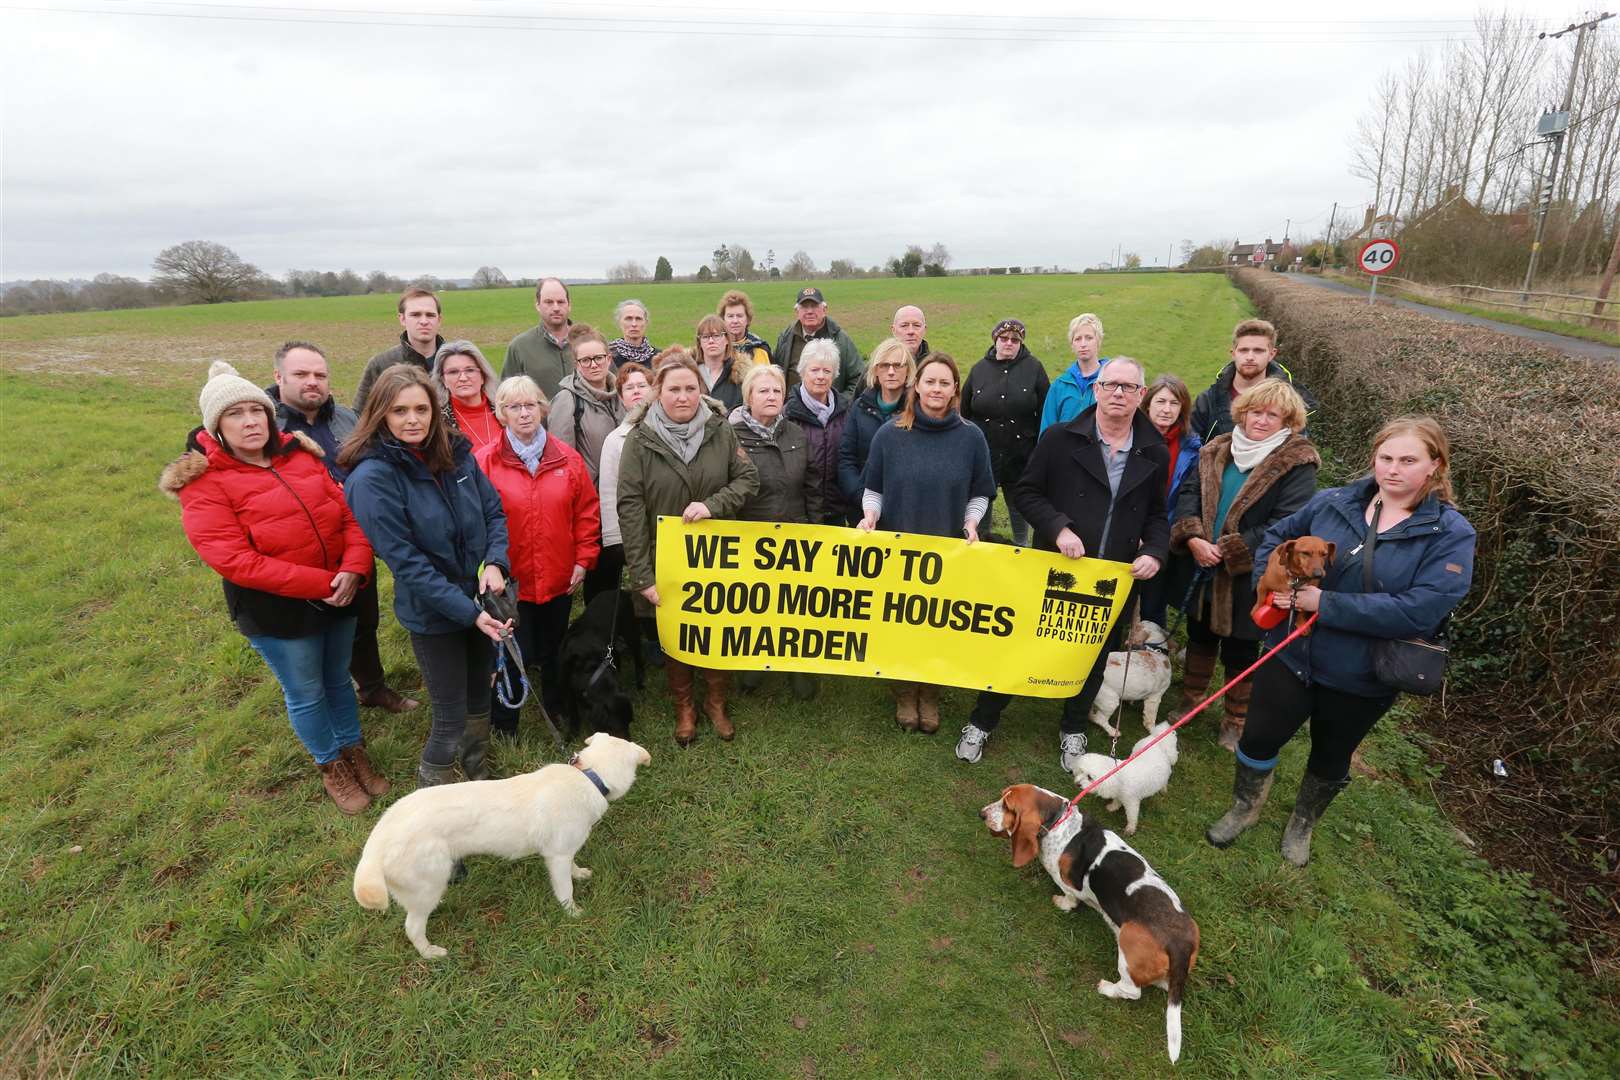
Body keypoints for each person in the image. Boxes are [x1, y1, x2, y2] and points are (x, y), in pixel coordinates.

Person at [1207, 417, 1474, 867]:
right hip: (1290, 654)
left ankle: (1301, 826)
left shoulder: (1450, 534)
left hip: (1362, 673)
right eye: (1386, 458)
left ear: (1434, 466)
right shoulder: (1335, 503)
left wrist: (1325, 604)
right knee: (1258, 736)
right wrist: (1272, 586)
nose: (1393, 469)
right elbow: (1277, 539)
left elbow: (1421, 609)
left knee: (1331, 755)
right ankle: (1243, 807)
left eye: (1408, 460)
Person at [162, 361, 385, 814]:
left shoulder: (301, 457)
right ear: (216, 426)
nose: (250, 422)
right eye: (235, 414)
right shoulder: (205, 482)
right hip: (278, 611)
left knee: (339, 681)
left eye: (255, 411)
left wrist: (355, 567)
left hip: (340, 591)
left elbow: (346, 516)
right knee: (306, 690)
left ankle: (353, 750)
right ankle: (331, 766)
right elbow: (235, 560)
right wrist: (324, 583)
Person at [956, 358, 1168, 770]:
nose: (1119, 394)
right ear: (1096, 390)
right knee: (1022, 645)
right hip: (1056, 568)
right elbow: (1028, 493)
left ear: (1141, 395)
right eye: (1111, 385)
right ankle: (982, 720)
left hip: (1113, 578)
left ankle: (1073, 727)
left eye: (1129, 387)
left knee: (1094, 654)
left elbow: (1158, 514)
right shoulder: (1058, 439)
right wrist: (1059, 528)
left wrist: (1154, 551)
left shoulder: (1154, 451)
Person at [340, 366, 512, 788]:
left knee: (480, 699)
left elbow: (493, 512)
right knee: (450, 716)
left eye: (421, 409)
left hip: (480, 602)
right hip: (435, 616)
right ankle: (431, 801)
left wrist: (495, 563)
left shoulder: (456, 455)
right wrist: (467, 613)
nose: (412, 419)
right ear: (380, 414)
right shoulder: (371, 479)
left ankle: (478, 774)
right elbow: (406, 561)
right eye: (400, 410)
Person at [267, 340, 420, 714]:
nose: (312, 382)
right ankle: (320, 703)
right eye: (301, 374)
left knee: (362, 621)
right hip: (300, 551)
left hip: (355, 539)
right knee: (312, 634)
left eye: (320, 375)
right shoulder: (267, 427)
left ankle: (371, 686)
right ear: (278, 377)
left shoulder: (346, 420)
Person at [1168, 380, 1319, 751]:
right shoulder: (1217, 449)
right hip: (1202, 562)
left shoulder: (1296, 462)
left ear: (1288, 420)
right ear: (1243, 412)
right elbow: (1189, 494)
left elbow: (1290, 521)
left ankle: (1236, 719)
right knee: (1200, 633)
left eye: (1273, 415)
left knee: (1241, 645)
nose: (1262, 421)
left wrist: (1232, 549)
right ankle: (1191, 700)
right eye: (1256, 412)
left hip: (1252, 572)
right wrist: (1193, 537)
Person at [617, 358, 759, 746]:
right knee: (677, 631)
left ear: (701, 391)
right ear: (658, 393)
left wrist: (713, 505)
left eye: (690, 388)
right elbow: (629, 507)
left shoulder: (721, 432)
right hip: (666, 556)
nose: (683, 396)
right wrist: (641, 574)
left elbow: (748, 478)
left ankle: (715, 701)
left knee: (717, 627)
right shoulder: (639, 439)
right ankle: (684, 706)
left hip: (717, 555)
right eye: (674, 389)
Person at [858, 351, 994, 733]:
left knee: (938, 623)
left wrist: (972, 521)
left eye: (944, 383)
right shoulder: (890, 434)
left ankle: (930, 691)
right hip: (898, 550)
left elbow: (981, 492)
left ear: (955, 390)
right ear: (916, 385)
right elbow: (874, 488)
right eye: (929, 381)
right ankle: (904, 690)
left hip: (947, 552)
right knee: (900, 621)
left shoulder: (971, 437)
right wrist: (871, 515)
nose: (936, 389)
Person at [476, 376, 600, 737]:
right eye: (513, 407)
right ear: (501, 414)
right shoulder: (484, 461)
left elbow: (587, 513)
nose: (524, 413)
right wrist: (486, 567)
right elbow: (474, 521)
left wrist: (583, 559)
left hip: (559, 574)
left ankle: (555, 704)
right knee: (511, 651)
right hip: (509, 582)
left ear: (543, 408)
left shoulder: (568, 458)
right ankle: (505, 722)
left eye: (530, 405)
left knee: (553, 647)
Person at [730, 363, 823, 701]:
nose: (771, 396)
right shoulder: (731, 436)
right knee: (756, 605)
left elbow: (812, 486)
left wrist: (815, 530)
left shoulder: (795, 434)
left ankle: (798, 666)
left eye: (777, 391)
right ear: (748, 397)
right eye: (763, 391)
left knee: (795, 606)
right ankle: (755, 664)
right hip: (752, 536)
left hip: (796, 533)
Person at [961, 318, 1050, 547]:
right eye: (1004, 339)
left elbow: (1045, 411)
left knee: (1018, 502)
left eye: (1014, 340)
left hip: (1020, 453)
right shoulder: (979, 369)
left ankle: (1022, 546)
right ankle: (980, 543)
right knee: (982, 499)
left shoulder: (1034, 369)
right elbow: (964, 412)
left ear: (1021, 343)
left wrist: (1039, 450)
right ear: (995, 340)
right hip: (985, 451)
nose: (1008, 343)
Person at [1134, 373, 1202, 629]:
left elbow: (1187, 496)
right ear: (1148, 404)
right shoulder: (1131, 437)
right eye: (1161, 401)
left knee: (1154, 598)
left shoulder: (1193, 449)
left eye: (1174, 403)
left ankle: (1152, 645)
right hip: (1128, 528)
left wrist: (1160, 535)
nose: (1166, 409)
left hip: (1164, 532)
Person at [1189, 318, 1317, 442]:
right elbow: (1190, 448)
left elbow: (1297, 452)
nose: (1250, 357)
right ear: (1233, 353)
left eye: (1258, 351)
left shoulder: (1290, 403)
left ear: (1271, 354)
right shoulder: (1207, 401)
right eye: (1244, 350)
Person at [595, 361, 653, 607]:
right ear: (621, 397)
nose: (637, 391)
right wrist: (615, 540)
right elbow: (609, 491)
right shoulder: (615, 440)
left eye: (642, 385)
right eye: (630, 388)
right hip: (634, 531)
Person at [839, 338, 915, 511]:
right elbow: (846, 458)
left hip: (905, 509)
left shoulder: (918, 410)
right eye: (884, 365)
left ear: (908, 370)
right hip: (863, 509)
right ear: (875, 371)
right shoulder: (859, 407)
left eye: (898, 365)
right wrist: (860, 496)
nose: (890, 372)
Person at [785, 339, 852, 525]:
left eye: (827, 371)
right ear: (802, 372)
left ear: (834, 375)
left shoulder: (846, 412)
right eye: (814, 370)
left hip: (838, 512)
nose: (820, 376)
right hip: (799, 515)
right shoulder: (787, 415)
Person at [547, 324, 625, 482]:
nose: (594, 365)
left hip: (626, 491)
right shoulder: (567, 400)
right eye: (586, 360)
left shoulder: (622, 395)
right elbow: (562, 460)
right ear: (577, 364)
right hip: (591, 496)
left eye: (598, 358)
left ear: (608, 359)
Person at [354, 286, 444, 413]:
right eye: (416, 315)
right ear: (402, 319)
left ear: (439, 320)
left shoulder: (456, 362)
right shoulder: (381, 364)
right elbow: (359, 416)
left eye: (430, 315)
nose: (424, 321)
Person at [773, 287, 864, 394]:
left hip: (828, 409)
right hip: (791, 408)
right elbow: (775, 373)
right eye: (804, 307)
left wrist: (840, 404)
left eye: (814, 306)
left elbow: (859, 379)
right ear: (797, 312)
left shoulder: (840, 339)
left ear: (824, 310)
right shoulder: (786, 337)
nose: (810, 311)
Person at [502, 277, 573, 400]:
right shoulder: (519, 347)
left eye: (561, 302)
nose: (556, 307)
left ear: (569, 305)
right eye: (549, 302)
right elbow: (506, 397)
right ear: (538, 305)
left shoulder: (590, 341)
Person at [1039, 313, 1107, 434]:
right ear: (1072, 345)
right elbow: (1047, 431)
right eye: (1078, 339)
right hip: (1065, 451)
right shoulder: (1059, 386)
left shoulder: (1110, 383)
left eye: (1089, 338)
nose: (1083, 344)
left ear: (1098, 341)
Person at [432, 341, 503, 452]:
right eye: (453, 372)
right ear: (443, 380)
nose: (463, 378)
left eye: (470, 370)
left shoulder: (505, 410)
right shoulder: (436, 421)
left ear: (483, 376)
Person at [693, 313, 743, 412]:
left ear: (727, 340)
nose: (711, 341)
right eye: (706, 337)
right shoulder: (690, 373)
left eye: (716, 336)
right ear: (700, 343)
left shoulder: (741, 376)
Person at [718, 289, 773, 368]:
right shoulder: (716, 347)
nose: (735, 321)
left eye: (739, 316)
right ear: (723, 319)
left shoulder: (758, 349)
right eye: (730, 316)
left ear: (747, 319)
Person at [608, 299, 656, 370]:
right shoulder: (608, 357)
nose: (634, 324)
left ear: (646, 323)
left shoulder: (658, 357)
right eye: (628, 319)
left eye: (638, 319)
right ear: (619, 322)